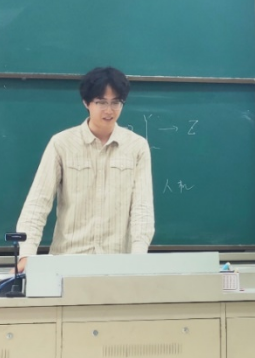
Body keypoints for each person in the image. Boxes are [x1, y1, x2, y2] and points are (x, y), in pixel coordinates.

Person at [14, 67, 154, 270]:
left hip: (118, 262)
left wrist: (138, 257)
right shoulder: (61, 143)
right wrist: (26, 253)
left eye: (116, 102)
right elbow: (38, 202)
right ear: (86, 103)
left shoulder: (137, 147)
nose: (109, 110)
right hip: (67, 261)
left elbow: (142, 208)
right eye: (101, 102)